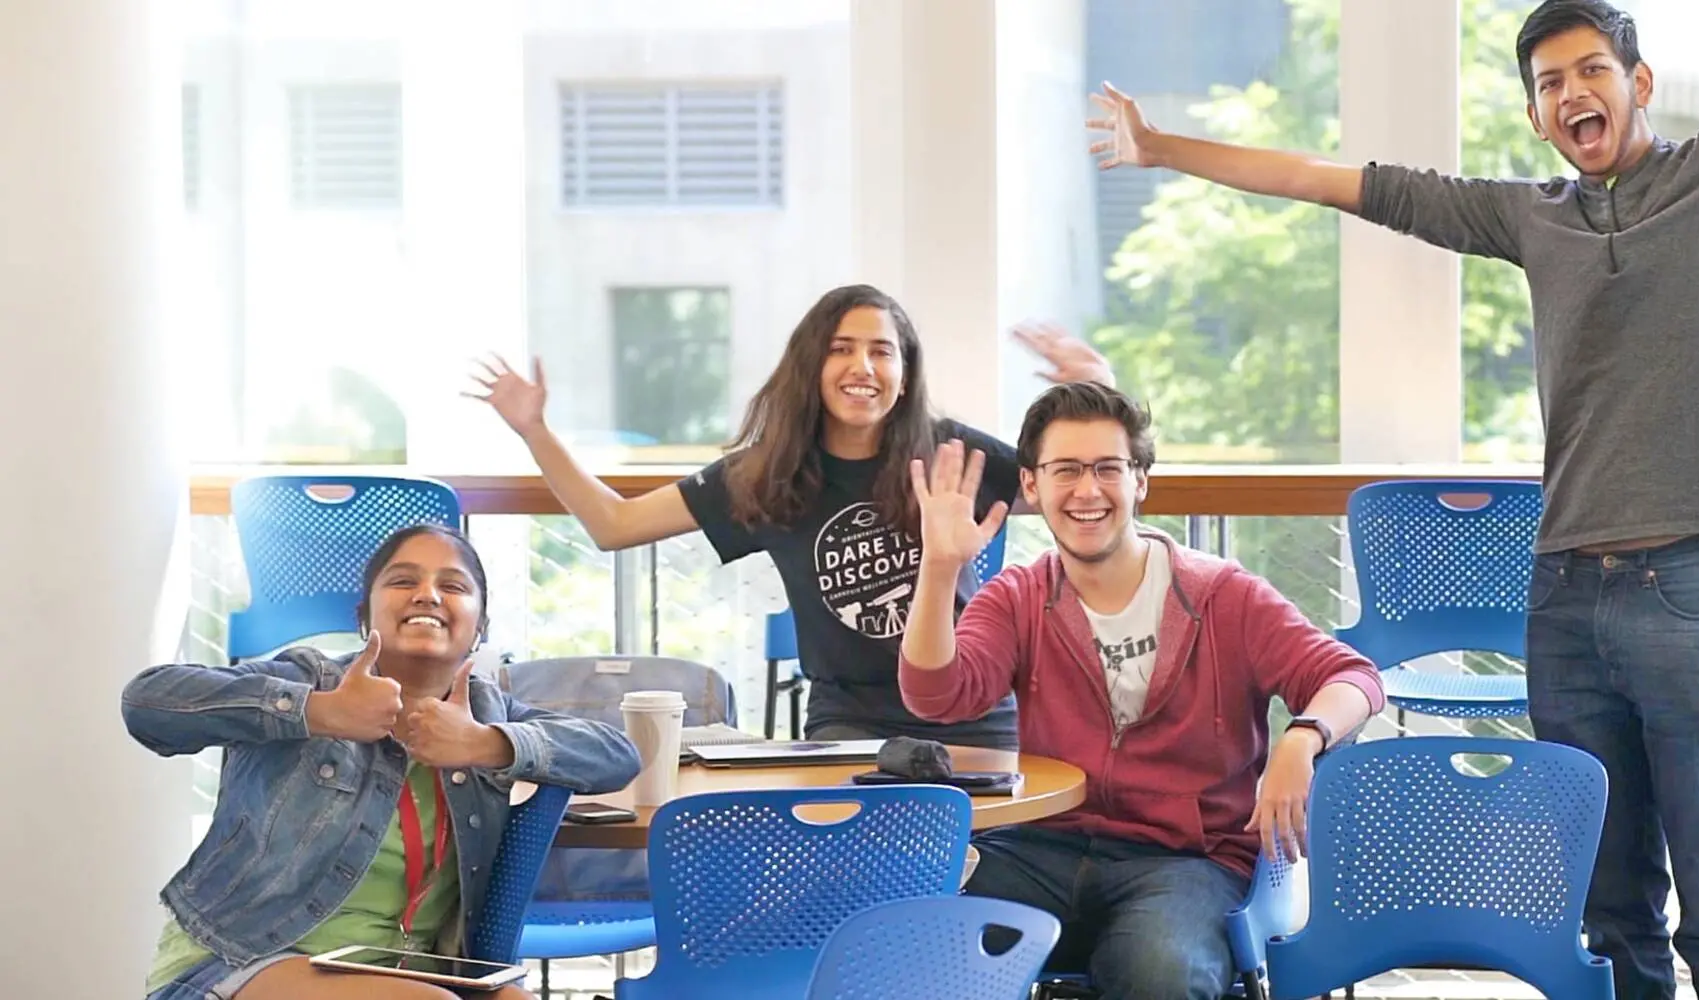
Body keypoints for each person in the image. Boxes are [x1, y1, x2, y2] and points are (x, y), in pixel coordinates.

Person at [1087, 1, 1699, 996]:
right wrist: (1161, 146)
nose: (1571, 92)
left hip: (1695, 587)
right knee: (1606, 912)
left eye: (1588, 70)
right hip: (1565, 598)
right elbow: (1340, 183)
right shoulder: (1532, 217)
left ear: (1635, 82)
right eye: (1548, 83)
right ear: (1533, 115)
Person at [468, 283, 1114, 750]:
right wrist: (535, 432)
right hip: (851, 720)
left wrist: (1099, 392)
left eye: (883, 352)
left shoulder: (949, 451)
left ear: (906, 372)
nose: (863, 367)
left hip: (972, 704)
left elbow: (1080, 491)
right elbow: (615, 525)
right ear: (812, 366)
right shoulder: (768, 475)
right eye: (842, 349)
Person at [898, 382, 1383, 1000]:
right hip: (1042, 844)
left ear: (1140, 481)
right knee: (918, 954)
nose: (1087, 490)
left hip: (1188, 861)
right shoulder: (1019, 595)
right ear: (1030, 485)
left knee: (1161, 975)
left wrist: (1302, 738)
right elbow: (938, 696)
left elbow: (1353, 677)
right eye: (1065, 470)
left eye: (1108, 468)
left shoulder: (1222, 595)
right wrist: (939, 571)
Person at [125, 525, 642, 1000]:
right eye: (402, 580)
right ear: (364, 618)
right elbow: (147, 702)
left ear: (479, 628)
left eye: (454, 586)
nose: (428, 595)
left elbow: (616, 755)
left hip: (412, 973)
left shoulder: (486, 712)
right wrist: (319, 712)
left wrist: (485, 744)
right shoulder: (311, 679)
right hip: (242, 959)